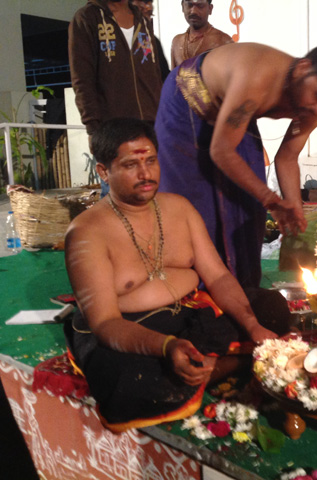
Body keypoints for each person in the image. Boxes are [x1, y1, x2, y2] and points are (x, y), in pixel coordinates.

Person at [64, 118, 291, 432]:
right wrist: (166, 346)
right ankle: (235, 364)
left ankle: (216, 365)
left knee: (272, 307)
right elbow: (104, 323)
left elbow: (218, 277)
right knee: (123, 380)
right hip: (131, 329)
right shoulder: (87, 232)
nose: (146, 174)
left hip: (188, 311)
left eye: (151, 161)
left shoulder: (179, 209)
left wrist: (251, 324)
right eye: (131, 165)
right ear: (104, 171)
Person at [155, 41, 317, 288]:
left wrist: (293, 206)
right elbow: (221, 151)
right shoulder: (258, 77)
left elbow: (287, 156)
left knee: (249, 210)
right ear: (304, 68)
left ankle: (243, 293)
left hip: (232, 118)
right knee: (196, 211)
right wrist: (272, 200)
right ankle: (196, 298)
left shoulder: (315, 104)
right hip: (188, 101)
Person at [68, 0, 163, 137]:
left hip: (151, 124)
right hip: (112, 127)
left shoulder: (141, 19)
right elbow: (82, 79)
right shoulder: (87, 18)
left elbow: (155, 73)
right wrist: (93, 127)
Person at [170, 0, 233, 69]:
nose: (193, 11)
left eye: (200, 6)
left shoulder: (223, 41)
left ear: (210, 9)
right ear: (182, 7)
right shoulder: (177, 41)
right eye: (189, 5)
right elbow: (172, 78)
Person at [131, 0, 171, 80]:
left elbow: (165, 77)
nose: (149, 7)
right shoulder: (117, 38)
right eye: (144, 1)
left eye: (150, 2)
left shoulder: (154, 41)